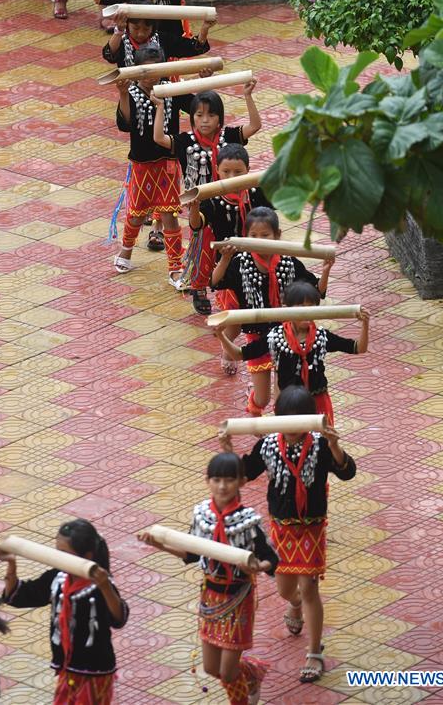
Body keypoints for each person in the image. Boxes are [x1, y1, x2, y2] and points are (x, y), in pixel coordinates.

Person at [219, 385, 357, 685]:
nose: (292, 430)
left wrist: (335, 446)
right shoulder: (268, 445)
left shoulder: (320, 445)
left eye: (299, 423)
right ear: (276, 418)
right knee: (285, 590)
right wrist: (228, 452)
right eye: (286, 421)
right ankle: (294, 604)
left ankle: (314, 651)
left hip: (311, 527)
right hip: (282, 528)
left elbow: (347, 472)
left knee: (309, 589)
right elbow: (243, 475)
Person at [138, 452, 278, 704]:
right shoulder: (202, 516)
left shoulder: (248, 522)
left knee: (226, 672)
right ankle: (251, 672)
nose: (222, 486)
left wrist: (258, 566)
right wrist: (158, 544)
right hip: (210, 597)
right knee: (213, 668)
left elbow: (272, 558)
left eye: (229, 480)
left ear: (242, 482)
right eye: (216, 480)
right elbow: (191, 554)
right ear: (207, 481)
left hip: (238, 598)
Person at [212, 207, 333, 415]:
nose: (259, 240)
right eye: (253, 236)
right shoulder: (240, 264)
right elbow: (215, 282)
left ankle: (281, 430)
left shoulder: (288, 263)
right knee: (262, 397)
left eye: (265, 236)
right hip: (256, 337)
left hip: (285, 335)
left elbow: (315, 293)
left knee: (281, 395)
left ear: (277, 236)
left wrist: (325, 272)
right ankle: (254, 406)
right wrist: (224, 259)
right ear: (245, 237)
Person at [0, 518, 128, 704]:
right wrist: (11, 565)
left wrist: (105, 586)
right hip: (67, 665)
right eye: (57, 552)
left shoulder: (100, 585)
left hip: (93, 669)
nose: (58, 558)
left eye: (64, 553)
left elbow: (118, 618)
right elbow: (22, 596)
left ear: (87, 556)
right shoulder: (58, 578)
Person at [154, 92, 262, 316]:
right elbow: (160, 139)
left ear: (220, 119)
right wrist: (159, 108)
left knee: (232, 240)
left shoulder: (229, 137)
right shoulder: (185, 141)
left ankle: (231, 283)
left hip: (229, 200)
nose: (205, 120)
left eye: (211, 115)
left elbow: (254, 125)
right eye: (199, 115)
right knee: (202, 244)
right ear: (191, 117)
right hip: (202, 205)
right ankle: (199, 286)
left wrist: (248, 95)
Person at [217, 281, 369, 424]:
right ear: (288, 308)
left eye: (311, 307)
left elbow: (358, 348)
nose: (306, 313)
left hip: (318, 404)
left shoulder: (322, 337)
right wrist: (221, 337)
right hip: (288, 406)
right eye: (301, 307)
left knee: (321, 448)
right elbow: (239, 354)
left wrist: (365, 325)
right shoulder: (275, 337)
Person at [113, 43, 192, 284]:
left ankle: (175, 266)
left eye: (157, 70)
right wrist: (123, 93)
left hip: (168, 163)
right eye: (145, 72)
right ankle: (126, 250)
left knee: (170, 215)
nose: (152, 77)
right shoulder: (134, 93)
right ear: (136, 71)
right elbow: (125, 124)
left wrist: (203, 79)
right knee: (137, 214)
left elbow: (195, 105)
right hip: (142, 164)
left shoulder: (171, 90)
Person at [184, 144, 271, 354]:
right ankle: (228, 352)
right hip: (227, 266)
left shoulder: (257, 193)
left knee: (261, 311)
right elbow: (196, 225)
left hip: (258, 262)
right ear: (217, 172)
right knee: (235, 314)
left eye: (238, 172)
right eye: (226, 172)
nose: (232, 177)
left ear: (248, 172)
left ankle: (257, 352)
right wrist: (194, 206)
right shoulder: (212, 200)